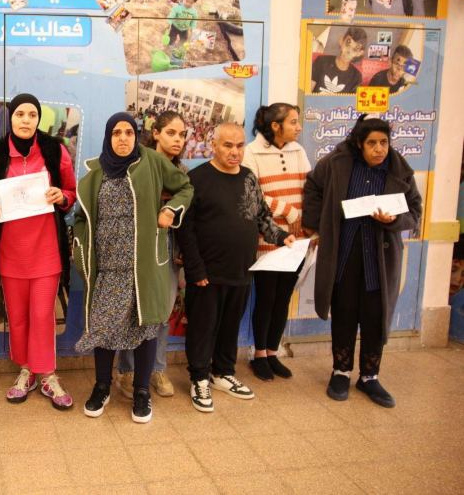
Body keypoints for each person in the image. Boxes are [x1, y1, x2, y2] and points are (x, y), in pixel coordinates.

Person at [74, 113, 192, 423]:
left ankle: (142, 391)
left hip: (143, 266)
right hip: (108, 267)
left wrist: (170, 209)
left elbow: (185, 187)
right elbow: (82, 217)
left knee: (146, 326)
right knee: (103, 328)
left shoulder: (152, 161)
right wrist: (82, 244)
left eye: (129, 132)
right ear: (108, 137)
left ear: (137, 136)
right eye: (117, 133)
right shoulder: (96, 173)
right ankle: (102, 386)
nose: (123, 138)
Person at [302, 115, 422, 408]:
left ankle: (369, 377)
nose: (379, 149)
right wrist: (316, 224)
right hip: (345, 254)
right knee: (344, 313)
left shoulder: (399, 170)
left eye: (384, 142)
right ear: (359, 144)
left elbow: (415, 212)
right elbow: (313, 186)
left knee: (374, 317)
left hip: (379, 259)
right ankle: (341, 372)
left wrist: (394, 221)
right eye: (372, 143)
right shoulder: (337, 163)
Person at [176, 123, 294, 413]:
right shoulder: (197, 179)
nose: (235, 152)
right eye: (228, 145)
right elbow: (185, 231)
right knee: (203, 328)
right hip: (206, 274)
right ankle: (199, 378)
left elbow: (262, 217)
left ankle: (223, 372)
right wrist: (195, 270)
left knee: (230, 326)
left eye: (240, 146)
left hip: (241, 270)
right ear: (213, 145)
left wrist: (282, 236)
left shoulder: (248, 178)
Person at [0, 93, 77, 410]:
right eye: (20, 114)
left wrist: (61, 196)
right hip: (10, 253)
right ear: (10, 118)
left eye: (32, 115)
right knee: (19, 317)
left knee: (42, 315)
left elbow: (70, 192)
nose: (26, 120)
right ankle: (27, 371)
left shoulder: (54, 149)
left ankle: (48, 374)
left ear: (38, 119)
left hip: (46, 250)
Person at [116, 111, 189, 400]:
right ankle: (127, 370)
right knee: (133, 309)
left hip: (169, 248)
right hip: (138, 246)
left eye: (182, 135)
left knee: (162, 311)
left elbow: (187, 213)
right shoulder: (136, 164)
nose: (178, 139)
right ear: (155, 133)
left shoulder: (182, 173)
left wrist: (182, 249)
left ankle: (157, 369)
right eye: (171, 132)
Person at [242, 104, 311, 381]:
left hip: (297, 239)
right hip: (267, 237)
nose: (298, 127)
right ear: (275, 126)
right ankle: (259, 354)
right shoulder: (251, 152)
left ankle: (273, 352)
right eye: (293, 122)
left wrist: (308, 223)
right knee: (266, 297)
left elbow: (310, 189)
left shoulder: (298, 151)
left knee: (283, 298)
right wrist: (288, 211)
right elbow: (253, 194)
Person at [310, 27, 367, 94]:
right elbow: (307, 92)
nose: (349, 51)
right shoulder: (321, 61)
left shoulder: (356, 77)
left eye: (355, 49)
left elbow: (351, 100)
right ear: (341, 41)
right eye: (347, 44)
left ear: (359, 53)